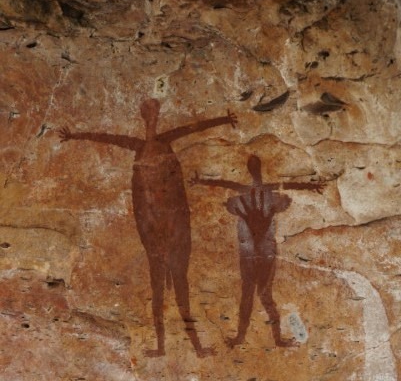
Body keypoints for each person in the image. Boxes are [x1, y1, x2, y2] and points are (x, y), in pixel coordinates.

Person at [59, 98, 237, 357]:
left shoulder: (166, 139)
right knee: (157, 290)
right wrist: (75, 135)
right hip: (153, 232)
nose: (152, 117)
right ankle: (161, 346)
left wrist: (224, 120)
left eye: (154, 112)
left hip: (176, 227)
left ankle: (197, 346)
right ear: (144, 118)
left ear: (157, 115)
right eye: (148, 113)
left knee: (181, 286)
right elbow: (106, 138)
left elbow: (195, 128)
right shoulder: (138, 145)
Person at [191, 155, 325, 347]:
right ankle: (253, 338)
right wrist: (312, 187)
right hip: (256, 252)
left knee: (258, 295)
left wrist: (201, 181)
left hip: (258, 252)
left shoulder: (249, 191)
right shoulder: (262, 190)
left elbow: (223, 183)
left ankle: (256, 338)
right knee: (259, 295)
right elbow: (289, 186)